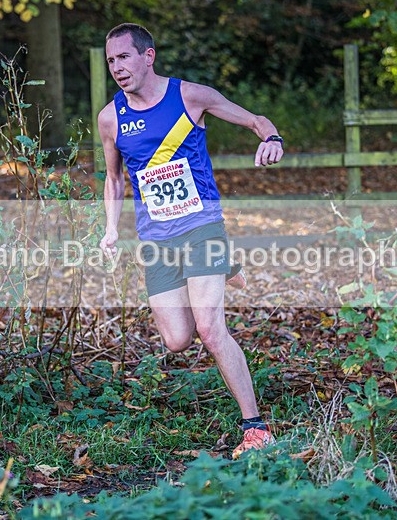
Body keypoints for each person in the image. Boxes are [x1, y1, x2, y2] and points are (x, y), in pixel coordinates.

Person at [97, 23, 284, 459]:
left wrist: (272, 139)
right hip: (156, 240)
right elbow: (113, 178)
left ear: (148, 56)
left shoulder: (190, 97)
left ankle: (255, 428)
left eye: (124, 57)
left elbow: (256, 121)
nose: (117, 68)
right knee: (177, 339)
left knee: (210, 330)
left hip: (201, 226)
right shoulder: (110, 118)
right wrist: (111, 227)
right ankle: (226, 265)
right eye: (110, 61)